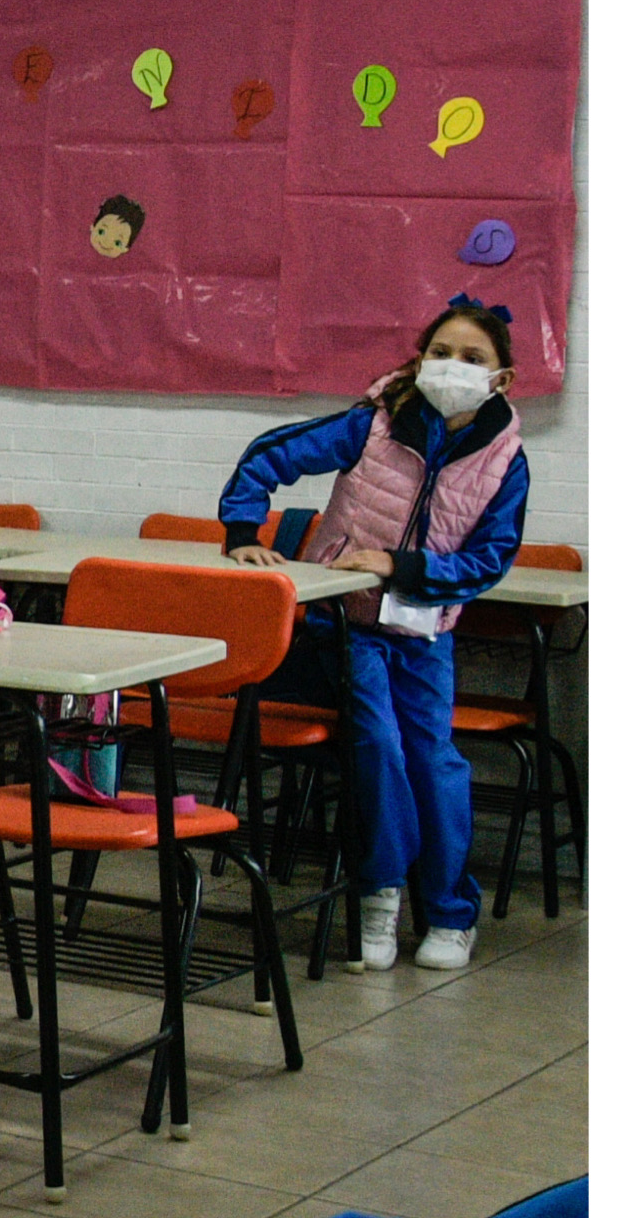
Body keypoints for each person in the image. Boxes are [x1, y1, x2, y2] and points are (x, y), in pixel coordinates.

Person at [218, 296, 528, 973]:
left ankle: (449, 912)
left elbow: (492, 558)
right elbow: (270, 456)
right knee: (378, 745)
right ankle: (379, 893)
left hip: (423, 634)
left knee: (434, 761)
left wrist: (402, 566)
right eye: (441, 352)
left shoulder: (505, 458)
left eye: (472, 358)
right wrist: (243, 531)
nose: (453, 366)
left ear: (500, 378)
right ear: (419, 360)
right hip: (347, 626)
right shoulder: (375, 422)